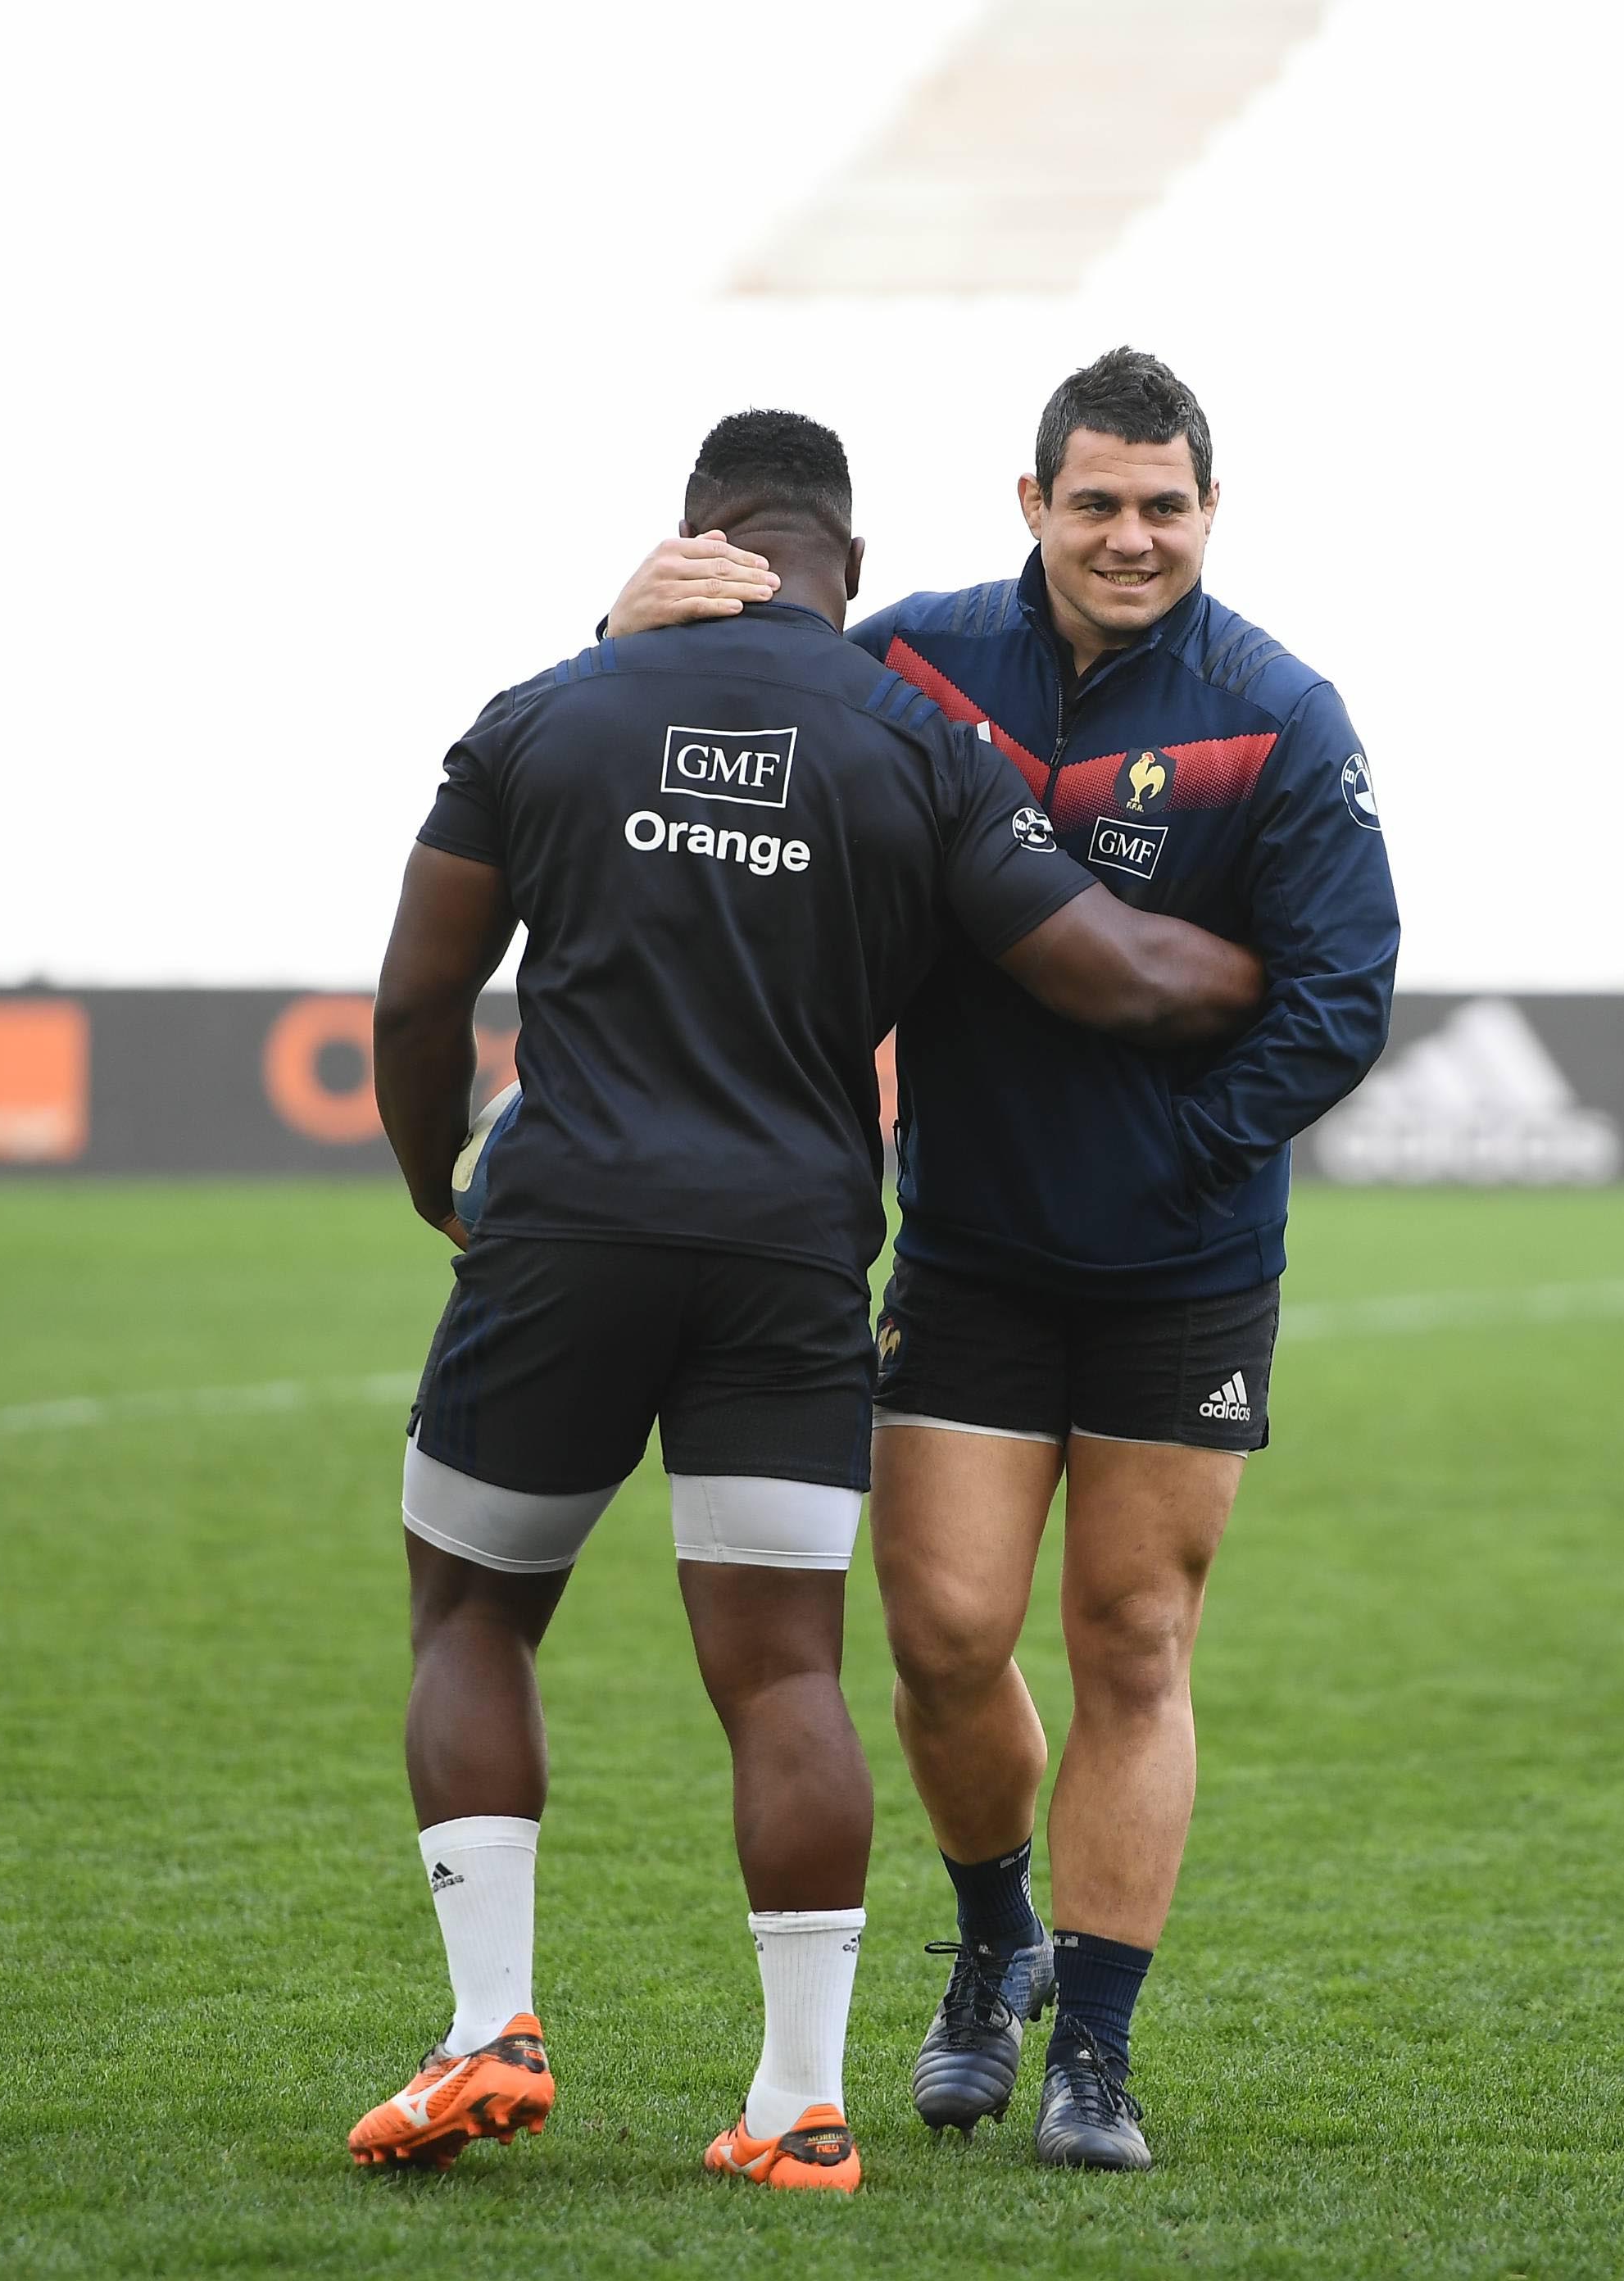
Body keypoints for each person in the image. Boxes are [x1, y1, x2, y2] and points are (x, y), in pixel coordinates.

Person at [353, 409, 1268, 2194]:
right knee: (784, 1676)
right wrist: (1291, 957)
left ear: (691, 537)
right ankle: (797, 2106)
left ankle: (489, 2030)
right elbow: (1118, 972)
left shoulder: (549, 705)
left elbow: (416, 999)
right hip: (789, 1259)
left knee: (471, 1616)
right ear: (842, 561)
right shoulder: (906, 731)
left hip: (560, 1236)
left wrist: (428, 1175)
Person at [604, 348, 1399, 2166]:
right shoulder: (910, 662)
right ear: (1032, 504)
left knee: (1134, 1639)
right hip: (965, 1250)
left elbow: (1342, 994)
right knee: (948, 1637)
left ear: (1211, 513)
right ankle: (992, 1948)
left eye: (1166, 506)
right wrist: (624, 623)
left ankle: (1093, 2057)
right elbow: (709, 735)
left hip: (1185, 1268)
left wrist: (1177, 1162)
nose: (1133, 536)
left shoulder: (1284, 714)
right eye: (1098, 502)